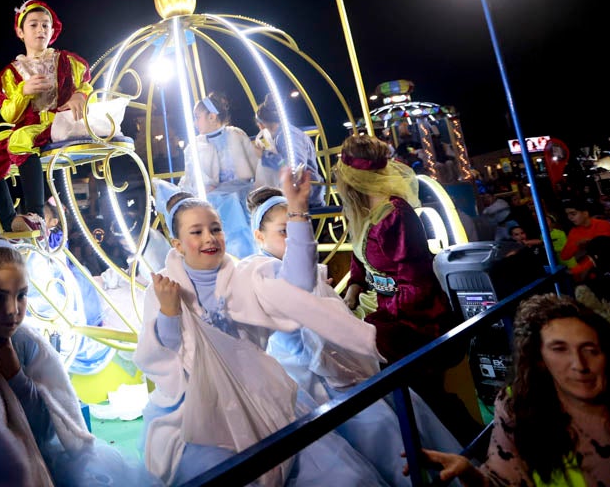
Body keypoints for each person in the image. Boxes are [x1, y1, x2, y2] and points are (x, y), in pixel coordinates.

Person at [133, 170, 389, 487]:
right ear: (178, 244)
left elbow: (298, 282)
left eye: (215, 229)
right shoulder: (163, 288)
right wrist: (169, 311)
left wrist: (297, 211)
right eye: (196, 232)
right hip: (194, 408)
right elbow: (164, 356)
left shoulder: (247, 273)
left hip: (261, 397)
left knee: (341, 477)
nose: (210, 238)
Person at [247, 185, 463, 487]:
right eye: (285, 232)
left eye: (298, 229)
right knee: (379, 432)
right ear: (259, 237)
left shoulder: (299, 268)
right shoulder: (266, 273)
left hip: (340, 366)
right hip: (315, 377)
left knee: (399, 421)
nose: (295, 239)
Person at [0, 231, 162, 487]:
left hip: (38, 463)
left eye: (21, 295)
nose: (12, 310)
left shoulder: (26, 344)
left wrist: (16, 377)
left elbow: (51, 429)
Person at [335, 132, 482, 447]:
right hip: (381, 311)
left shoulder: (395, 214)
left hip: (415, 319)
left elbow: (415, 285)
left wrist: (375, 321)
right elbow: (359, 260)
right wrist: (353, 290)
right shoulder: (360, 212)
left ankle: (462, 444)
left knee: (407, 385)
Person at [418, 293, 610, 486]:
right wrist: (472, 476)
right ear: (539, 359)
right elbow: (503, 480)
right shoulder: (517, 405)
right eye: (560, 350)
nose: (579, 364)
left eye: (590, 350)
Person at [0, 0, 93, 230]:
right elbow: (8, 114)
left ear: (53, 30)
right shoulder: (11, 73)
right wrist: (23, 92)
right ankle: (10, 222)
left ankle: (36, 214)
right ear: (20, 31)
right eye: (34, 25)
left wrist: (81, 96)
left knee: (20, 139)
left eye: (45, 25)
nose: (41, 30)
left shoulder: (67, 61)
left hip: (60, 121)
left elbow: (86, 86)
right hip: (30, 127)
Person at [177, 91, 268, 257]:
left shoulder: (235, 134)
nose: (195, 122)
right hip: (213, 192)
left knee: (234, 200)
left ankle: (245, 253)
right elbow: (192, 175)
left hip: (241, 188)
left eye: (198, 117)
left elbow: (252, 164)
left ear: (212, 117)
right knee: (210, 201)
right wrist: (203, 185)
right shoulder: (196, 145)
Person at [253, 94, 326, 209]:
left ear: (261, 125)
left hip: (306, 198)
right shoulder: (281, 136)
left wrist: (265, 156)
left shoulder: (289, 136)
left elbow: (294, 168)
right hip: (299, 195)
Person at [559, 193, 610, 281]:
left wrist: (577, 270)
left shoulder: (603, 225)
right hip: (592, 275)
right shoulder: (574, 232)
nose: (570, 217)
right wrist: (576, 244)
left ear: (585, 213)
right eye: (568, 214)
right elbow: (565, 256)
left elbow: (607, 252)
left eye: (573, 214)